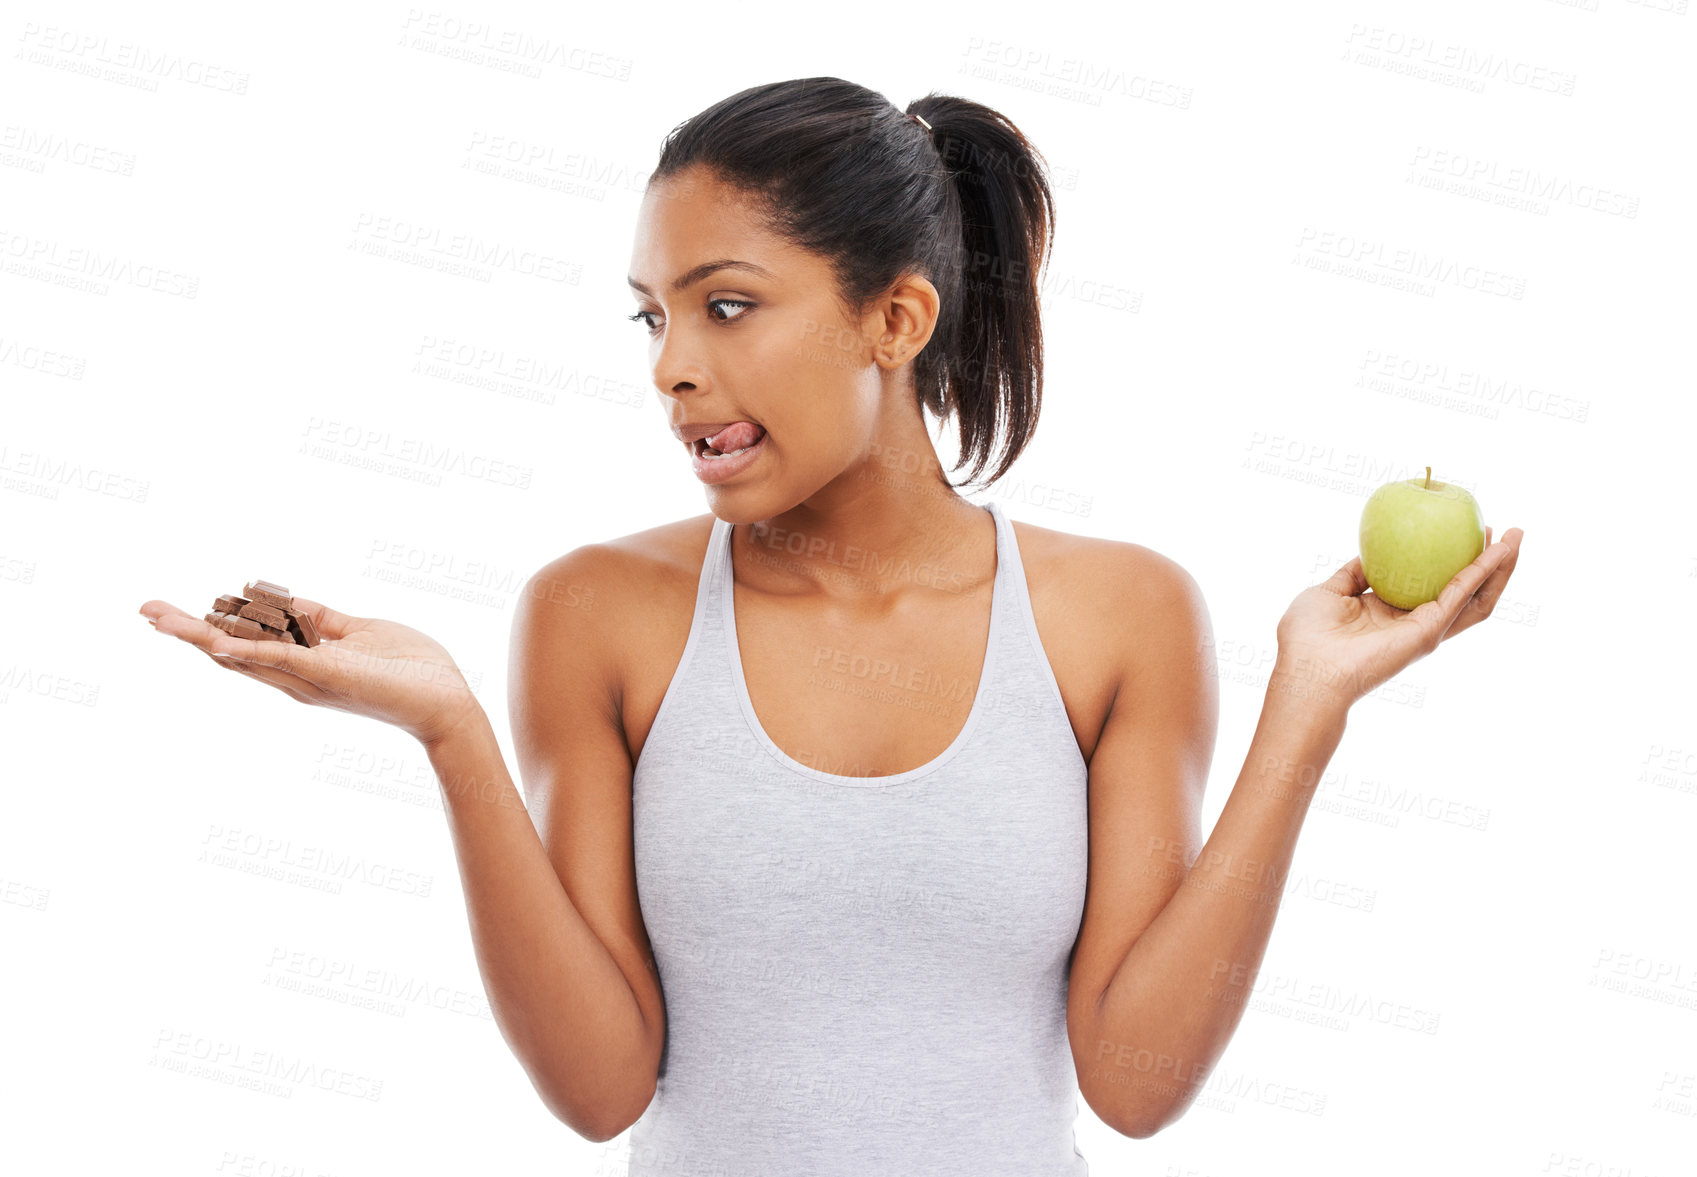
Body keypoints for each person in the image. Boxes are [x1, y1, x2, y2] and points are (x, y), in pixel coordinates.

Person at [140, 77, 1524, 1173]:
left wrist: (1306, 709)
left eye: (727, 306)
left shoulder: (1119, 615)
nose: (676, 367)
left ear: (895, 317)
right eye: (653, 320)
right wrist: (447, 727)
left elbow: (1137, 1083)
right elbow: (599, 1087)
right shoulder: (595, 614)